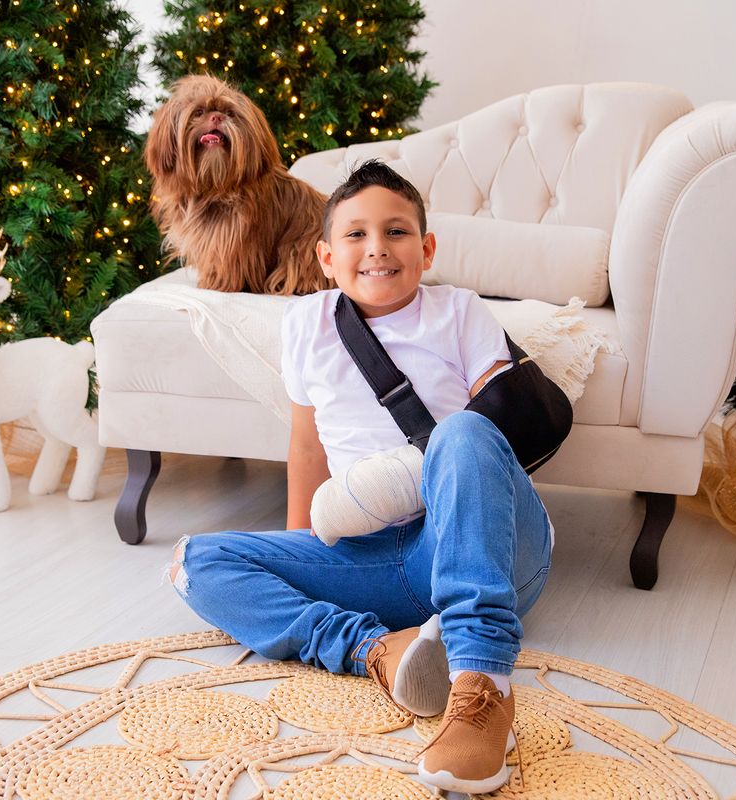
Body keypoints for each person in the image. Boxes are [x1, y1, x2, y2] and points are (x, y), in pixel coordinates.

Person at [167, 160, 554, 794]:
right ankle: (377, 650)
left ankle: (482, 682)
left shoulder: (460, 312)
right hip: (379, 559)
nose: (377, 247)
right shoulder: (307, 324)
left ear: (426, 249)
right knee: (195, 562)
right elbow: (306, 445)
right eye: (355, 234)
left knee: (463, 431)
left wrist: (407, 479)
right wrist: (303, 546)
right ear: (325, 257)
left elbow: (499, 432)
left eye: (397, 231)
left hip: (483, 546)